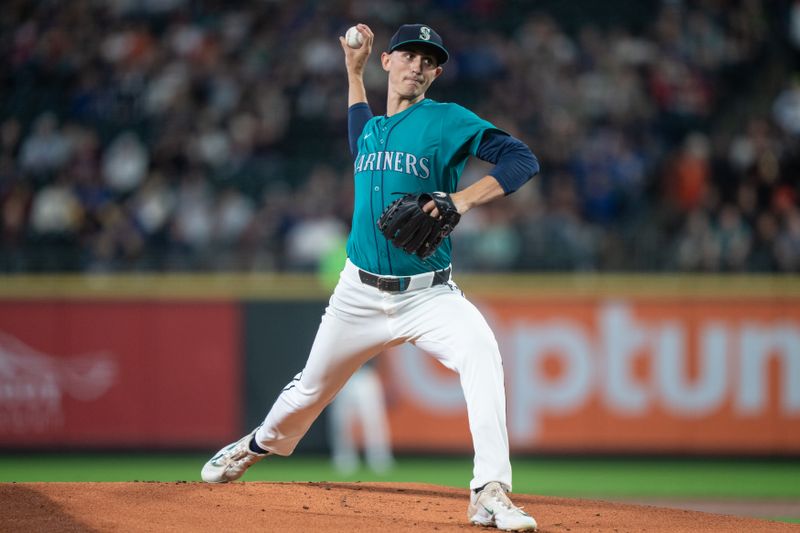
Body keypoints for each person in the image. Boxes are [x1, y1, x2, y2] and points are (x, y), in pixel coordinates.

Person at [201, 23, 540, 531]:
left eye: (429, 60)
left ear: (437, 73)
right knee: (308, 393)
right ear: (389, 62)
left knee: (482, 355)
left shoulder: (447, 120)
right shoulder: (373, 133)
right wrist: (352, 71)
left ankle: (489, 489)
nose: (417, 66)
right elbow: (358, 125)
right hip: (357, 294)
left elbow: (522, 158)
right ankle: (253, 446)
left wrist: (462, 200)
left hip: (430, 296)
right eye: (408, 55)